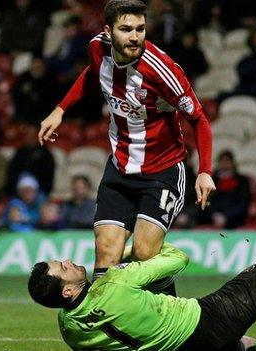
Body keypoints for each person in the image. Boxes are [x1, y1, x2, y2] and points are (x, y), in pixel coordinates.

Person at [38, 0, 216, 295]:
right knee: (106, 254)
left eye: (140, 29)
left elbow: (199, 119)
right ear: (108, 32)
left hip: (162, 171)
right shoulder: (97, 48)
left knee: (145, 255)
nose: (134, 36)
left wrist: (205, 172)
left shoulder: (162, 71)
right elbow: (92, 73)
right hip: (120, 169)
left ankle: (171, 314)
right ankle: (108, 330)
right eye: (126, 29)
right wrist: (61, 108)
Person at [28, 243, 256, 351]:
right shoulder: (116, 281)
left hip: (182, 349)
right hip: (207, 319)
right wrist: (135, 250)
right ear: (67, 290)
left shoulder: (68, 327)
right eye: (62, 268)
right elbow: (178, 258)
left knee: (244, 346)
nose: (67, 260)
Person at [199, 150, 251, 229]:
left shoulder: (242, 181)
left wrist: (226, 216)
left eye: (227, 160)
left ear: (233, 162)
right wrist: (214, 215)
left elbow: (243, 203)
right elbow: (206, 200)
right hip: (212, 219)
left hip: (235, 221)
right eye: (222, 161)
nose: (225, 163)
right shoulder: (210, 181)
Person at [5, 123, 56, 196]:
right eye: (28, 135)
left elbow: (48, 179)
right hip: (19, 192)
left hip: (39, 193)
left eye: (33, 135)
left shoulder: (46, 154)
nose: (30, 137)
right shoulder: (19, 153)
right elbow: (12, 174)